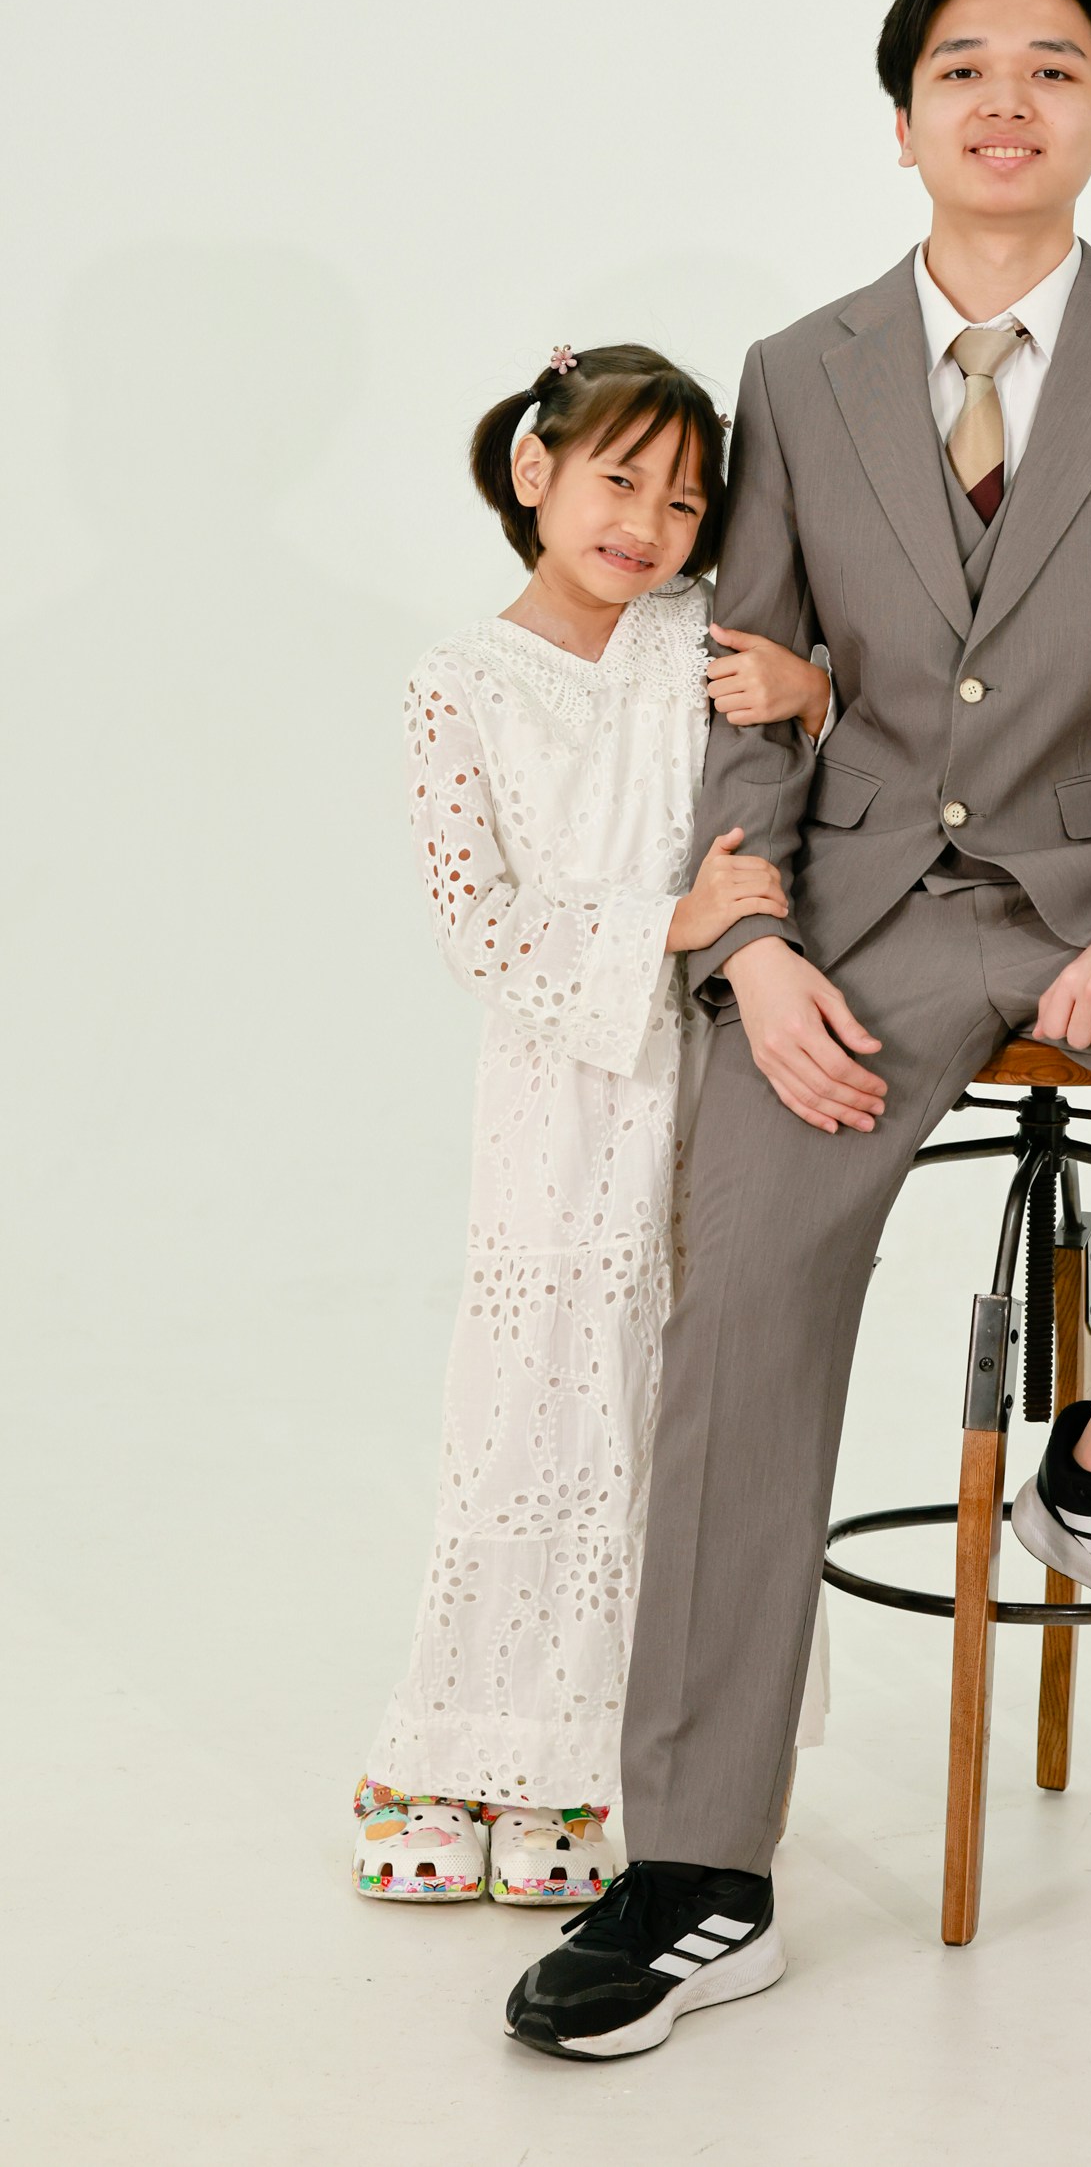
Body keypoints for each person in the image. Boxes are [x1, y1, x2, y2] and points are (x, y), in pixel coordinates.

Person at [503, 0, 1091, 2059]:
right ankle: (699, 1871)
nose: (1007, 99)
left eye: (1054, 69)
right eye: (963, 68)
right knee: (745, 1299)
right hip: (862, 917)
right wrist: (749, 944)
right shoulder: (797, 369)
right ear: (900, 119)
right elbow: (756, 686)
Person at [358, 346, 830, 1908]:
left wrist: (814, 693)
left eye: (685, 500)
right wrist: (663, 922)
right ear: (534, 471)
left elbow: (835, 763)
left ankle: (606, 1769)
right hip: (557, 1095)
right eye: (619, 479)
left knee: (675, 1416)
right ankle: (458, 1751)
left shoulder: (700, 640)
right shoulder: (459, 682)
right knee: (531, 1419)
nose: (648, 523)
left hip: (715, 1076)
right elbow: (477, 925)